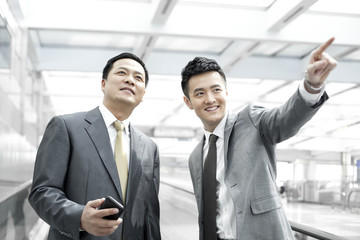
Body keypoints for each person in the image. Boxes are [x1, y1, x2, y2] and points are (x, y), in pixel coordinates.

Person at [180, 38, 337, 240]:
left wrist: (311, 85)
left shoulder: (252, 120)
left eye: (216, 90)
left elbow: (285, 119)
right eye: (200, 93)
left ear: (226, 92)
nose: (210, 99)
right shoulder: (195, 158)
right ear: (188, 102)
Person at [28, 52, 161, 240]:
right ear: (103, 84)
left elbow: (150, 215)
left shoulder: (149, 147)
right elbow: (42, 192)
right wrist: (79, 217)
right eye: (122, 73)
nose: (130, 80)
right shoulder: (66, 127)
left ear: (143, 95)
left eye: (138, 78)